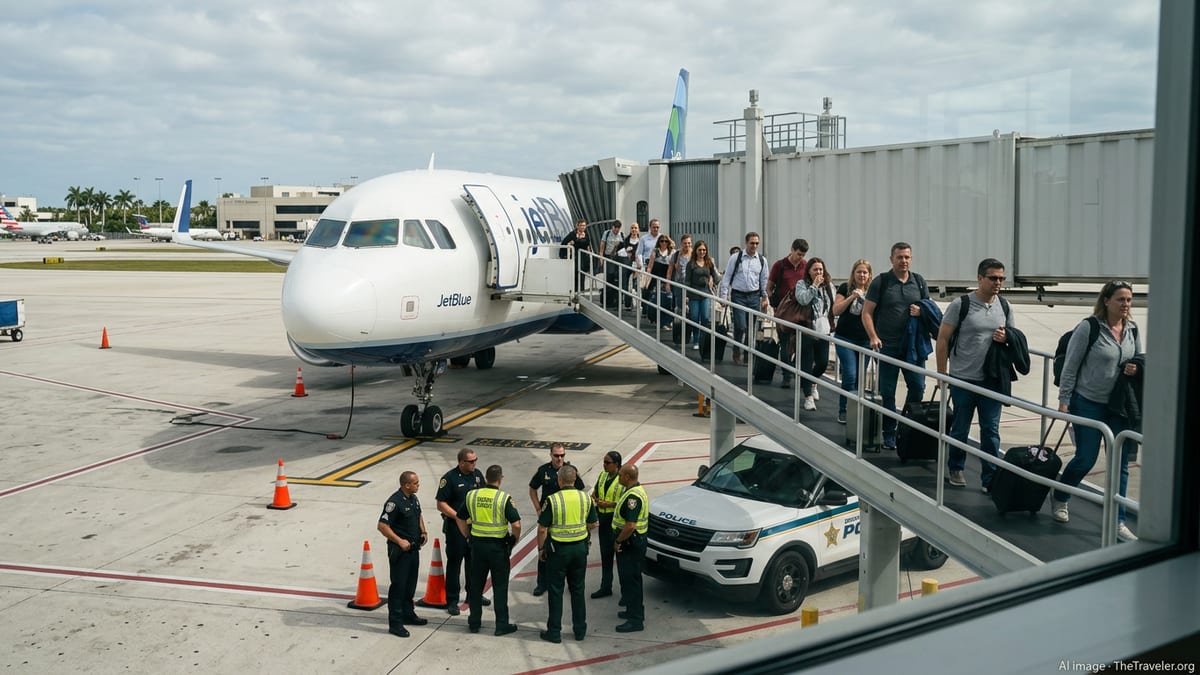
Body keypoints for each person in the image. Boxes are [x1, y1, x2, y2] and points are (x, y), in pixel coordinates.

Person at [1053, 280, 1143, 542]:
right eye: (1121, 299)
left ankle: (1118, 520)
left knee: (1120, 464)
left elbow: (1137, 358)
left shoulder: (1132, 330)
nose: (1126, 304)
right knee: (1085, 459)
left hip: (1118, 406)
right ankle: (1060, 496)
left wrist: (1135, 368)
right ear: (1106, 301)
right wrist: (1064, 401)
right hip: (1088, 402)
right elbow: (1071, 366)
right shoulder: (1088, 328)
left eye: (1129, 300)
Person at [935, 258, 1016, 492]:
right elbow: (943, 339)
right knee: (960, 427)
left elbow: (1015, 337)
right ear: (980, 279)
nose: (998, 282)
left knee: (991, 431)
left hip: (991, 380)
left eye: (1001, 278)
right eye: (993, 278)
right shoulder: (961, 304)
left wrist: (1007, 338)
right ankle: (956, 466)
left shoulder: (1005, 306)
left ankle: (989, 478)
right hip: (963, 378)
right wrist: (943, 375)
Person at [862, 242, 931, 450]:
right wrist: (873, 337)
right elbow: (867, 312)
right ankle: (889, 432)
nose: (904, 261)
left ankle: (905, 425)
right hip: (888, 346)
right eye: (900, 257)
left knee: (918, 388)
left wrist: (921, 312)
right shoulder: (881, 282)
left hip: (912, 347)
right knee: (888, 392)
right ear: (891, 259)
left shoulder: (918, 282)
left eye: (907, 257)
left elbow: (929, 308)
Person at [456, 464, 521, 636]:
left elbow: (460, 517)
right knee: (500, 587)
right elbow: (516, 524)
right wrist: (514, 540)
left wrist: (467, 536)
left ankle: (474, 622)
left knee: (476, 586)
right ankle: (501, 625)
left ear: (485, 478)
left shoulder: (472, 495)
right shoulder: (503, 498)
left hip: (477, 547)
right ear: (501, 479)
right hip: (498, 549)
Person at [536, 464, 598, 643]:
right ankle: (580, 630)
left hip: (558, 551)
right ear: (575, 479)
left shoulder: (553, 500)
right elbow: (593, 523)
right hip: (579, 549)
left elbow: (542, 529)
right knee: (578, 589)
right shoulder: (586, 498)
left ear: (560, 480)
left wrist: (541, 549)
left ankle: (554, 632)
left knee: (555, 591)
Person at [527, 444, 585, 596]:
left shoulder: (571, 471)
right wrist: (538, 508)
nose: (560, 458)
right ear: (550, 455)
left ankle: (566, 582)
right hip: (547, 517)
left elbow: (580, 491)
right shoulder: (543, 470)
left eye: (562, 455)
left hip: (564, 518)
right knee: (543, 548)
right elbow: (532, 488)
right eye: (556, 455)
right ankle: (542, 583)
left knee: (563, 552)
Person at [435, 448, 486, 615]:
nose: (474, 464)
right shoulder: (449, 479)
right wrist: (457, 516)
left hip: (474, 528)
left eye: (475, 460)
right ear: (461, 462)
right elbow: (440, 503)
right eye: (471, 461)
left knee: (473, 563)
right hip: (455, 528)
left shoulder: (477, 475)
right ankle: (452, 600)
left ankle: (473, 595)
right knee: (455, 564)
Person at [377, 471, 427, 638]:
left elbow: (418, 514)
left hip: (413, 549)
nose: (418, 485)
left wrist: (423, 531)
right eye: (416, 483)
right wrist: (399, 541)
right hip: (400, 552)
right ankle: (396, 623)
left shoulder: (413, 498)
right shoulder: (394, 502)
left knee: (410, 585)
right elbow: (382, 526)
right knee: (398, 586)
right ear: (407, 485)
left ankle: (408, 614)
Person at [832, 259, 874, 424]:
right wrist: (852, 297)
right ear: (853, 273)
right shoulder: (845, 288)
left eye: (865, 272)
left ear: (869, 275)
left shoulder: (873, 292)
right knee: (850, 374)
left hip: (864, 340)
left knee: (860, 378)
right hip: (845, 338)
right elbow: (836, 310)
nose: (862, 275)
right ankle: (844, 410)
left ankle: (856, 411)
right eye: (859, 272)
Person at [718, 232, 770, 365]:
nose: (754, 246)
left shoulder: (762, 260)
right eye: (752, 243)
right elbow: (727, 276)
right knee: (740, 326)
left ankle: (747, 354)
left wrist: (765, 297)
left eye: (757, 243)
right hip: (738, 295)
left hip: (753, 296)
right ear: (746, 243)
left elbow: (764, 280)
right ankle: (736, 350)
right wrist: (723, 296)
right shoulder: (736, 258)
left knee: (751, 328)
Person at [767, 239, 810, 388]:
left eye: (803, 255)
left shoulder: (805, 266)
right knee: (785, 343)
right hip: (784, 310)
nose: (800, 257)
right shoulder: (780, 266)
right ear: (792, 250)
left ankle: (796, 370)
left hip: (801, 310)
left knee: (800, 344)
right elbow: (769, 287)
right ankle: (786, 375)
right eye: (798, 254)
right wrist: (773, 304)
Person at [794, 257, 835, 410]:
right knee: (806, 363)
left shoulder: (829, 286)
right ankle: (808, 397)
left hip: (823, 329)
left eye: (820, 269)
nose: (818, 272)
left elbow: (832, 307)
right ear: (809, 271)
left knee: (822, 363)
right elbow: (803, 300)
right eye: (815, 269)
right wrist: (814, 286)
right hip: (806, 329)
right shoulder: (801, 284)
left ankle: (812, 383)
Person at [613, 464, 649, 633]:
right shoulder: (636, 490)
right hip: (634, 542)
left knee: (632, 581)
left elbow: (630, 525)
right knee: (630, 580)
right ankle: (632, 611)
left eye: (620, 475)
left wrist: (619, 541)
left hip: (630, 543)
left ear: (627, 477)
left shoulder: (632, 498)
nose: (618, 477)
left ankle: (635, 620)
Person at [590, 451, 623, 599]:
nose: (604, 465)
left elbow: (625, 502)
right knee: (606, 556)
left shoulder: (622, 479)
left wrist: (610, 503)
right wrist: (596, 499)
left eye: (607, 463)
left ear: (616, 465)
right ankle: (606, 586)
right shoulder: (603, 476)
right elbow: (595, 492)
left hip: (615, 522)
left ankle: (625, 594)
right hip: (603, 520)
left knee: (622, 562)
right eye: (604, 462)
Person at [684, 241, 719, 350]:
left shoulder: (709, 262)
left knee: (705, 317)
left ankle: (703, 340)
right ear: (696, 251)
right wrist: (686, 295)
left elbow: (715, 276)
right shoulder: (691, 264)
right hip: (694, 293)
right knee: (694, 317)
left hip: (705, 293)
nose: (702, 252)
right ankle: (696, 340)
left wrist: (715, 282)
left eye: (704, 250)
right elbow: (687, 280)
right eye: (700, 250)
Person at [665, 235, 693, 336]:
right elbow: (670, 270)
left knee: (691, 307)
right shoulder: (676, 255)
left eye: (689, 243)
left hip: (691, 286)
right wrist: (667, 283)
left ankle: (691, 327)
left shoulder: (694, 254)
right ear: (681, 244)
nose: (687, 245)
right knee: (680, 306)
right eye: (685, 243)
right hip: (679, 284)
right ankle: (682, 328)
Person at [646, 233, 675, 326]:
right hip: (655, 277)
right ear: (659, 242)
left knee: (667, 300)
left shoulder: (672, 252)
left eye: (666, 241)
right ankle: (652, 316)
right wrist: (647, 275)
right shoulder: (655, 251)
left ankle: (664, 321)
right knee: (654, 298)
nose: (664, 243)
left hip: (666, 278)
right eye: (662, 241)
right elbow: (650, 266)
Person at [559, 218, 594, 291]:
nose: (583, 227)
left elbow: (588, 245)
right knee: (575, 276)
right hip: (575, 257)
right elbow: (564, 243)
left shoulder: (586, 234)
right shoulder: (572, 234)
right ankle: (575, 292)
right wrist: (569, 246)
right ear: (577, 226)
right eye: (581, 225)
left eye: (584, 225)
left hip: (583, 258)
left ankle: (581, 291)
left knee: (582, 276)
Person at [613, 222, 641, 310]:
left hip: (636, 265)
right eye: (632, 228)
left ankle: (636, 304)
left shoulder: (641, 241)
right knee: (624, 284)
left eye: (635, 228)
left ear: (638, 229)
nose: (634, 230)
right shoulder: (625, 240)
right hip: (626, 263)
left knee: (635, 284)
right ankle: (627, 304)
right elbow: (619, 253)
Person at [600, 220, 624, 308]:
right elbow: (602, 245)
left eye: (618, 229)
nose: (616, 230)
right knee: (609, 277)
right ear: (612, 227)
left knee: (616, 278)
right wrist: (601, 257)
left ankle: (616, 300)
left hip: (617, 258)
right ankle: (607, 300)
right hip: (608, 257)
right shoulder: (606, 233)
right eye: (615, 228)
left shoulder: (621, 235)